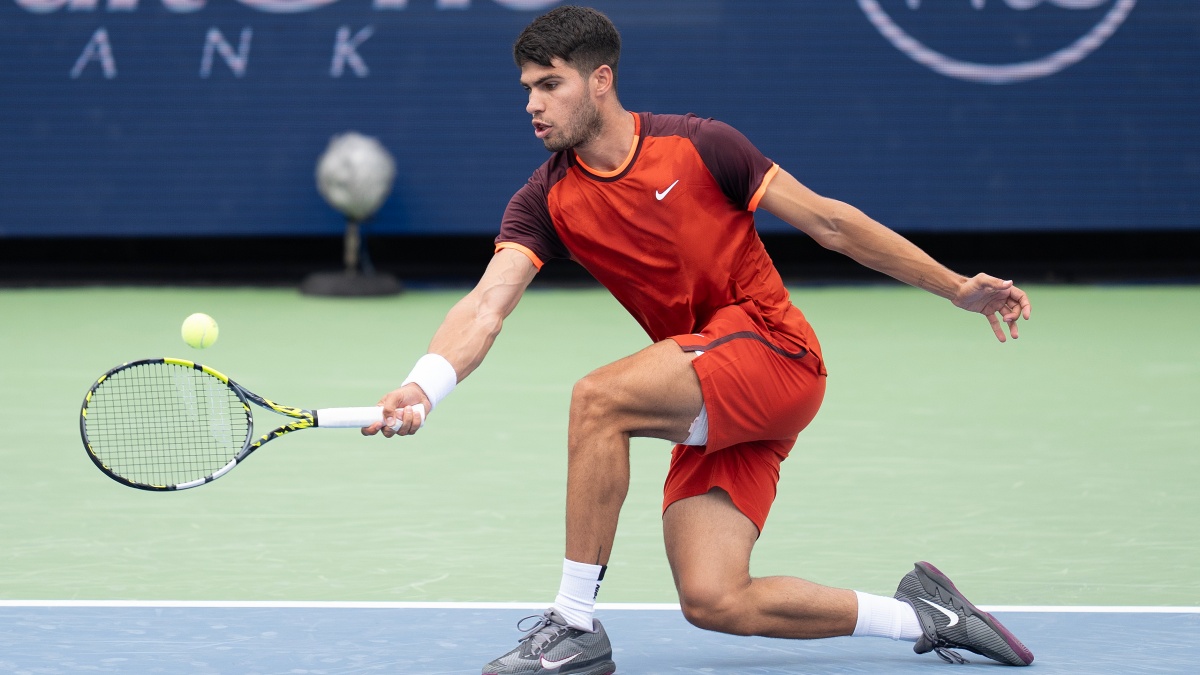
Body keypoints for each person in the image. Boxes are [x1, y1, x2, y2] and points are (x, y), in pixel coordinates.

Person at [363, 6, 1034, 674]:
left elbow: (831, 223)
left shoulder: (701, 146)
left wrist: (953, 287)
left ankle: (571, 622)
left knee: (598, 400)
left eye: (550, 84)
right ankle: (925, 616)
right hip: (712, 386)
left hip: (774, 352)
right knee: (715, 597)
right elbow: (486, 304)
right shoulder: (544, 201)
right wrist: (425, 382)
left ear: (601, 80)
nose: (533, 105)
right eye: (527, 89)